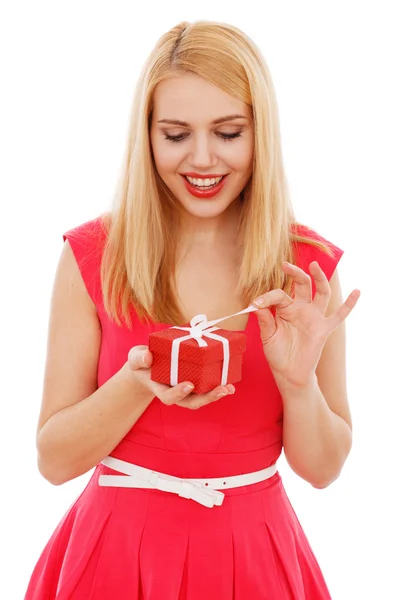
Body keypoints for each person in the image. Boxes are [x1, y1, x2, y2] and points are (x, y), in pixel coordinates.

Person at [25, 19, 360, 600]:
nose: (202, 159)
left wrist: (298, 382)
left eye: (228, 133)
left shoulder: (306, 267)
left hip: (255, 556)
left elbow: (323, 470)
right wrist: (137, 383)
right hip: (114, 554)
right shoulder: (92, 257)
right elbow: (54, 461)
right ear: (147, 135)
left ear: (261, 134)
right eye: (175, 134)